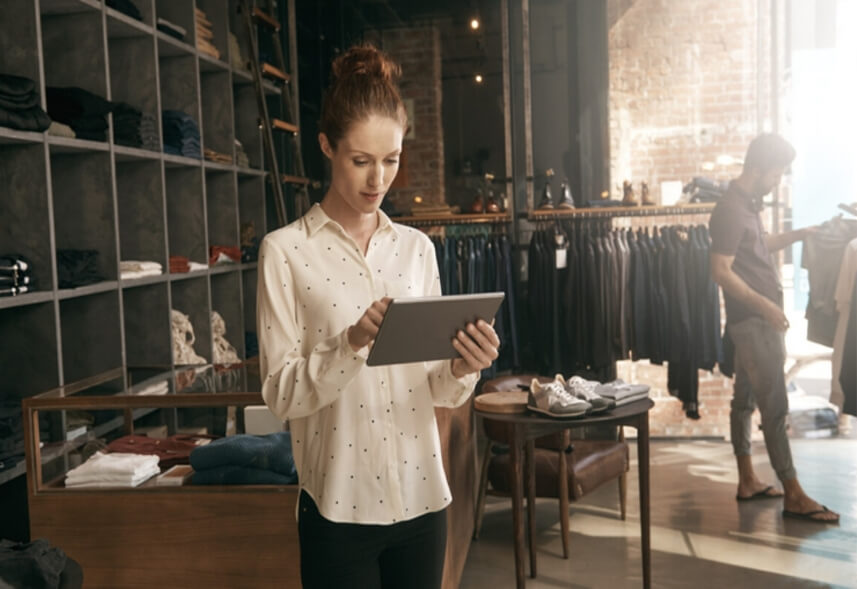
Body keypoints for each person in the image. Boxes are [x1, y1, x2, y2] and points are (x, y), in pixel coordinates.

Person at [256, 44, 500, 587]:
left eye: (391, 160)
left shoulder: (418, 250)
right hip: (338, 510)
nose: (378, 180)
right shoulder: (285, 252)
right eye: (361, 161)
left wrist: (463, 366)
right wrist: (348, 344)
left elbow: (436, 388)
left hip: (422, 500)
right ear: (326, 146)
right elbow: (279, 395)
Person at [709, 133, 839, 523]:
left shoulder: (746, 206)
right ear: (759, 167)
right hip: (755, 324)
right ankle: (794, 494)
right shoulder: (731, 210)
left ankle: (747, 479)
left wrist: (801, 234)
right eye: (777, 172)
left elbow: (760, 246)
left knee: (744, 402)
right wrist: (766, 306)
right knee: (775, 408)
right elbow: (720, 271)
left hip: (752, 323)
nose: (778, 180)